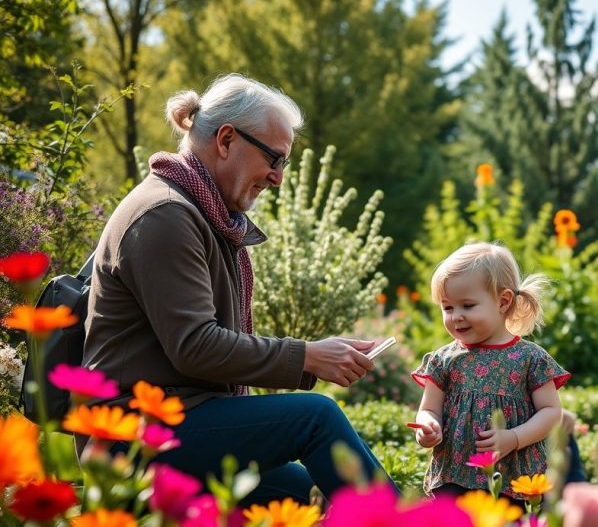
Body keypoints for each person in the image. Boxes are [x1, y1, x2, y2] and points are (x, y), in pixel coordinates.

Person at [81, 73, 394, 505]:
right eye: (275, 159)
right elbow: (195, 346)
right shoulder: (165, 215)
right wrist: (308, 355)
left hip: (179, 422)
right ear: (226, 139)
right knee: (316, 417)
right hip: (131, 441)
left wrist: (311, 357)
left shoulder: (201, 212)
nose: (278, 178)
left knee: (308, 500)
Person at [411, 242, 570, 500]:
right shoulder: (444, 360)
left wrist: (514, 437)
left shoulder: (530, 358)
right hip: (454, 472)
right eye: (448, 307)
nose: (456, 316)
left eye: (468, 305)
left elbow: (551, 412)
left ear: (503, 301)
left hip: (513, 477)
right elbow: (429, 408)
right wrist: (428, 427)